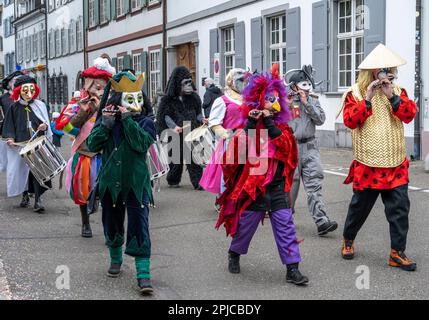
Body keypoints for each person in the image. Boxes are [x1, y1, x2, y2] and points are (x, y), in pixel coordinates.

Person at [216, 65, 308, 286]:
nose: (272, 102)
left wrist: (269, 123)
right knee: (246, 226)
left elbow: (289, 150)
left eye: (275, 98)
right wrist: (250, 124)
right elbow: (233, 157)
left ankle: (292, 268)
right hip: (253, 187)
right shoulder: (247, 126)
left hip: (276, 186)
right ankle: (234, 253)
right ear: (258, 100)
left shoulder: (282, 127)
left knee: (285, 225)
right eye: (268, 99)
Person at [339, 44, 417, 271]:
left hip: (395, 162)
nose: (383, 73)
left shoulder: (399, 91)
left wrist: (390, 94)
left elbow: (409, 115)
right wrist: (369, 97)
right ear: (370, 72)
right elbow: (350, 121)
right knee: (359, 208)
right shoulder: (354, 93)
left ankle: (397, 253)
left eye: (387, 69)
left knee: (400, 210)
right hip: (368, 164)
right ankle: (348, 239)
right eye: (379, 70)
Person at [87, 71, 156, 295]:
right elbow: (92, 144)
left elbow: (141, 143)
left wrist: (127, 120)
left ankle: (143, 274)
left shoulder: (146, 121)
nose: (134, 104)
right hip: (111, 182)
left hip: (136, 182)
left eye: (138, 98)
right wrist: (105, 124)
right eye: (129, 99)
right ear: (118, 100)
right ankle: (115, 259)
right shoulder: (107, 119)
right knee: (112, 221)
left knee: (139, 225)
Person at [55, 57, 115, 237]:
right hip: (85, 151)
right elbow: (71, 126)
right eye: (94, 85)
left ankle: (108, 225)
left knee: (109, 192)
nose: (97, 89)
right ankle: (85, 223)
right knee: (82, 188)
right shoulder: (81, 101)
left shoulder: (113, 100)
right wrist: (85, 109)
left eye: (101, 85)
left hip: (106, 152)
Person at [285, 65, 338, 236]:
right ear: (294, 86)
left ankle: (322, 221)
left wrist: (307, 103)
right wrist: (286, 104)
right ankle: (286, 216)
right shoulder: (285, 102)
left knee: (314, 184)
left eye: (307, 84)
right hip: (291, 147)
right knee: (291, 185)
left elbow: (321, 119)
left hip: (310, 147)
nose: (305, 88)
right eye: (301, 84)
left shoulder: (313, 100)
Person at [2, 75, 53, 212]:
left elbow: (46, 124)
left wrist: (45, 127)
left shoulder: (40, 106)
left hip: (37, 145)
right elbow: (9, 126)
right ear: (19, 90)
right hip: (20, 146)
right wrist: (10, 138)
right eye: (25, 90)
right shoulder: (13, 107)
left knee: (38, 172)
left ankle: (38, 200)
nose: (29, 93)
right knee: (21, 173)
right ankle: (25, 195)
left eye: (31, 90)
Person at [200, 69, 250, 196]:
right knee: (229, 177)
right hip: (231, 143)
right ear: (231, 81)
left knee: (251, 175)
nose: (244, 83)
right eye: (240, 80)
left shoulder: (250, 99)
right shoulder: (222, 100)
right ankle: (227, 204)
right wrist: (228, 135)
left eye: (246, 80)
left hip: (251, 141)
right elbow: (214, 123)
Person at [156, 66, 204, 189]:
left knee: (194, 158)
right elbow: (164, 116)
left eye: (190, 82)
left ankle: (198, 182)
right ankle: (173, 179)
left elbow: (198, 113)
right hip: (175, 132)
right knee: (175, 159)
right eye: (185, 83)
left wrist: (202, 120)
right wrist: (173, 126)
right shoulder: (168, 100)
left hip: (191, 130)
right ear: (178, 84)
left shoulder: (194, 98)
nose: (189, 85)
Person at [0, 71, 24, 173]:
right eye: (15, 81)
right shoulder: (2, 98)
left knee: (20, 163)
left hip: (22, 133)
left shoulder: (23, 98)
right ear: (9, 84)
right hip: (6, 134)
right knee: (5, 163)